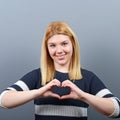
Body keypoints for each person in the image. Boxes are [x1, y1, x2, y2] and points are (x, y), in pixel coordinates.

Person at [0, 21, 120, 120]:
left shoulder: (88, 77)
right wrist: (37, 93)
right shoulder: (38, 75)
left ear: (72, 44)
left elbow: (116, 109)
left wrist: (83, 96)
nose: (59, 51)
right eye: (52, 45)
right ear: (47, 49)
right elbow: (4, 100)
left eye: (64, 43)